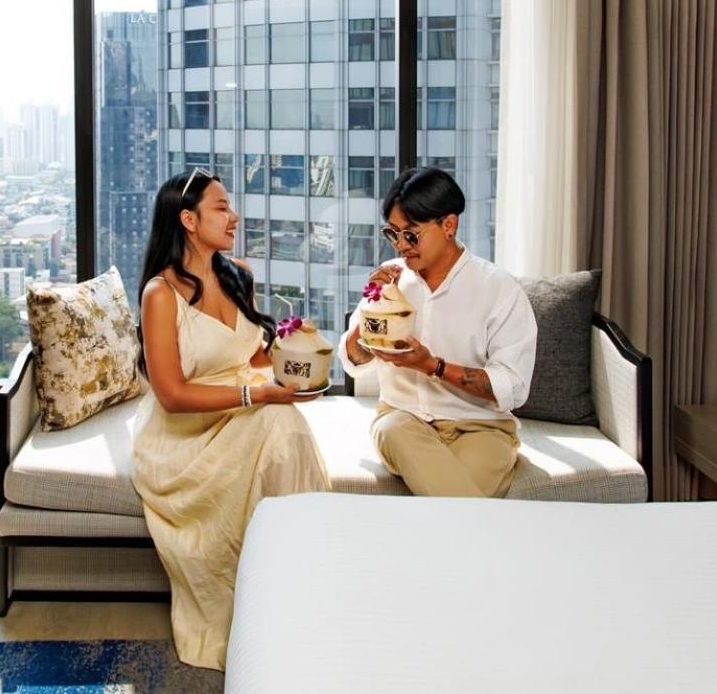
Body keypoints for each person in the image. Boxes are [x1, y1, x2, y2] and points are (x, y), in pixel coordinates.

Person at [132, 167, 330, 671]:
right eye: (221, 207)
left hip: (241, 410)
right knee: (276, 422)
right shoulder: (161, 294)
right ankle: (284, 598)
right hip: (186, 435)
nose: (234, 216)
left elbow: (254, 355)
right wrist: (256, 395)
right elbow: (171, 395)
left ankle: (299, 586)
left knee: (282, 423)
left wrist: (294, 346)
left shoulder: (237, 273)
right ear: (188, 220)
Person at [338, 166, 537, 498]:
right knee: (395, 429)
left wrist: (432, 366)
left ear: (449, 225)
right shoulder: (391, 279)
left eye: (411, 234)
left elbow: (513, 387)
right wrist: (374, 308)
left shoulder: (498, 288)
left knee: (454, 502)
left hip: (481, 429)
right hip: (402, 421)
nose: (400, 246)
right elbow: (353, 361)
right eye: (393, 233)